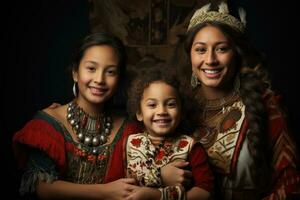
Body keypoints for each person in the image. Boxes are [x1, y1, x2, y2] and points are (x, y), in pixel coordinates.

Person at [171, 2, 300, 200]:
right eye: (200, 50)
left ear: (237, 54)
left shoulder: (265, 103)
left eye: (221, 49)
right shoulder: (174, 105)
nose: (210, 59)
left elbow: (290, 185)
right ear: (190, 55)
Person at [12, 32, 145, 199]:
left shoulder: (130, 129)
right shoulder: (48, 125)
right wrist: (106, 192)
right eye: (91, 68)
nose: (99, 79)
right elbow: (42, 188)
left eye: (110, 72)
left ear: (119, 79)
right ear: (75, 72)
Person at [125, 63, 214, 200]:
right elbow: (114, 185)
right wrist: (159, 176)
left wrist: (159, 196)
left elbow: (206, 191)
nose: (162, 112)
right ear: (139, 113)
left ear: (182, 112)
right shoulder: (128, 144)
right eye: (152, 105)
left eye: (171, 104)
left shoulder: (190, 147)